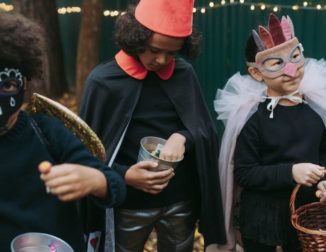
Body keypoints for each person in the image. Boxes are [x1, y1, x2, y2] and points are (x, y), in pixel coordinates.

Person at [79, 0, 226, 251]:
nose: (161, 60)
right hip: (127, 203)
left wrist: (182, 137)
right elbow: (86, 151)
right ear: (136, 38)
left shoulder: (183, 73)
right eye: (154, 49)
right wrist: (124, 175)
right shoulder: (103, 81)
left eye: (172, 53)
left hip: (180, 199)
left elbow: (203, 130)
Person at [0, 11, 126, 251]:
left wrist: (95, 180)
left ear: (25, 84)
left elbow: (115, 187)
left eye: (7, 85)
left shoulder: (46, 132)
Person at [214, 13, 326, 251]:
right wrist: (291, 172)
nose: (291, 70)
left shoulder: (317, 107)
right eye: (275, 63)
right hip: (263, 219)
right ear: (257, 73)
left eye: (295, 57)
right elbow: (245, 173)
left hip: (308, 214)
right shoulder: (252, 118)